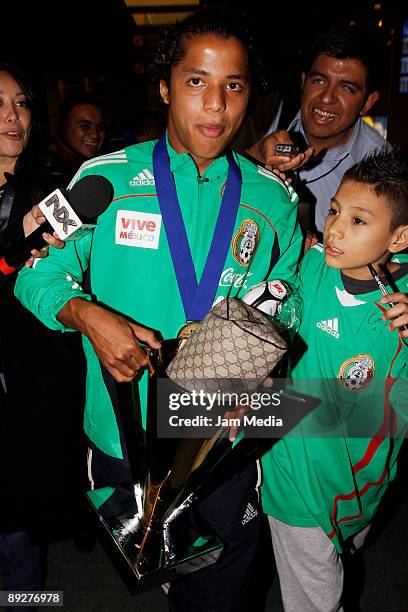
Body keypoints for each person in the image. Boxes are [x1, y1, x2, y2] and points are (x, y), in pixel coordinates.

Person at [15, 8, 302, 611]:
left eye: (234, 85)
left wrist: (258, 346)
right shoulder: (104, 181)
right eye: (197, 81)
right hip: (124, 426)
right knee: (157, 565)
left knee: (221, 586)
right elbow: (38, 269)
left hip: (222, 426)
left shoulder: (272, 200)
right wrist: (86, 314)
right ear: (166, 87)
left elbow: (290, 295)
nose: (216, 106)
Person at [261, 147, 408, 611]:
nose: (336, 228)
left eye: (359, 221)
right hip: (294, 474)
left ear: (400, 237)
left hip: (358, 477)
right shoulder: (310, 267)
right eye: (334, 211)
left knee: (344, 546)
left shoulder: (402, 315)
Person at [0, 60, 86, 605]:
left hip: (26, 386)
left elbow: (77, 280)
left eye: (21, 102)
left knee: (15, 534)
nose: (13, 116)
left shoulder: (51, 189)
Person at [247, 26, 389, 236]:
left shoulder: (381, 167)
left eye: (346, 88)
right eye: (319, 81)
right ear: (303, 82)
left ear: (367, 103)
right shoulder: (262, 114)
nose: (326, 98)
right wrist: (255, 157)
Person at [47, 93, 106, 183]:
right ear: (63, 126)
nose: (95, 135)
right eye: (85, 126)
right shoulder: (44, 172)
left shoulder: (106, 163)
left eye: (100, 127)